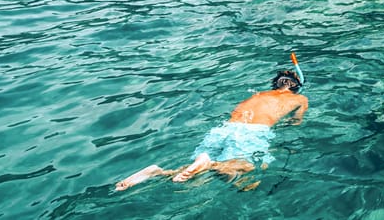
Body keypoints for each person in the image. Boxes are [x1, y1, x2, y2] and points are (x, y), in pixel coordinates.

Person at [115, 70, 308, 191]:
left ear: (276, 84)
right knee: (249, 178)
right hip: (253, 132)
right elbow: (296, 122)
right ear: (296, 87)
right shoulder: (300, 99)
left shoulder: (259, 95)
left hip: (225, 129)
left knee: (200, 174)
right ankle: (210, 164)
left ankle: (159, 172)